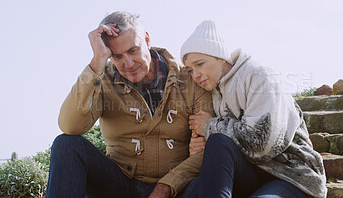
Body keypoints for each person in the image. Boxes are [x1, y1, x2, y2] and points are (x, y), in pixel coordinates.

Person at [45, 11, 213, 198]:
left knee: (206, 181)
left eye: (133, 50)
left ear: (147, 40)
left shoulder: (189, 79)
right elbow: (70, 126)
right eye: (117, 56)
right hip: (118, 184)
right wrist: (97, 63)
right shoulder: (101, 79)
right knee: (66, 144)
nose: (128, 63)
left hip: (174, 188)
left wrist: (166, 186)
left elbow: (205, 148)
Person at [180, 20, 327, 198]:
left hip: (292, 176)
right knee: (192, 189)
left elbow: (261, 144)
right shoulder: (214, 90)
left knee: (217, 138)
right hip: (253, 174)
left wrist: (209, 127)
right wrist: (203, 144)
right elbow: (223, 144)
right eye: (190, 70)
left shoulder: (259, 77)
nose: (195, 75)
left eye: (200, 64)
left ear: (220, 57)